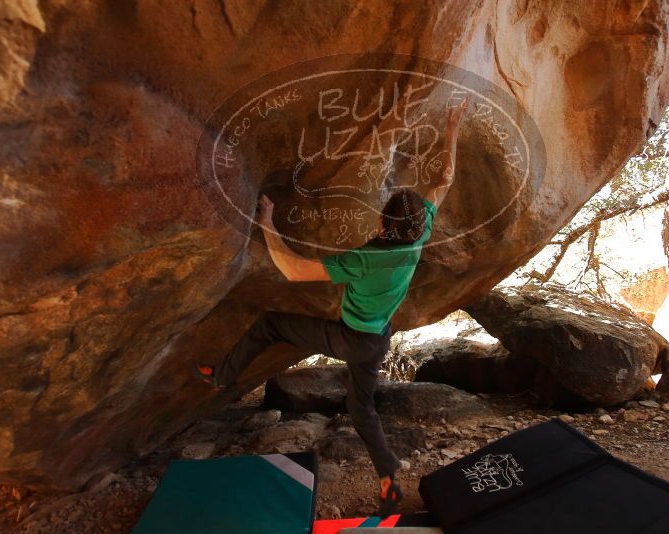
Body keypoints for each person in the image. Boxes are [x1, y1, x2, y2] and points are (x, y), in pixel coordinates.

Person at [193, 97, 469, 517]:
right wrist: (452, 130)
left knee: (271, 324)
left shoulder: (363, 260)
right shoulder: (417, 236)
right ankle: (389, 475)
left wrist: (268, 223)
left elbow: (294, 271)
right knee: (362, 409)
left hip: (353, 337)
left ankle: (222, 378)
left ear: (380, 225)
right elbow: (445, 180)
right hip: (377, 338)